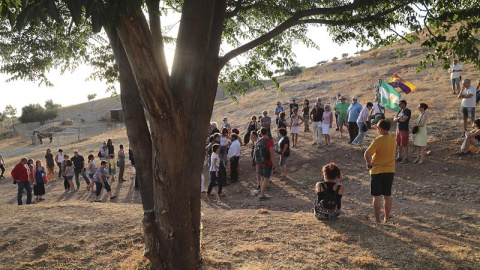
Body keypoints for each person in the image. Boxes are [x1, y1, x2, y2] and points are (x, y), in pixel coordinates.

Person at [364, 119, 396, 223]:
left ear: (380, 129)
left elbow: (367, 153)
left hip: (377, 171)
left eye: (378, 128)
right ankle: (386, 218)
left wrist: (369, 162)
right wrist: (378, 127)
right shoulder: (392, 139)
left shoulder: (377, 141)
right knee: (387, 195)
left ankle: (377, 220)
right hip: (390, 170)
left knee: (376, 196)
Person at [256, 128, 275, 200]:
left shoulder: (258, 141)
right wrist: (273, 163)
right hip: (267, 162)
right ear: (267, 133)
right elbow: (272, 154)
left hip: (260, 162)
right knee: (266, 178)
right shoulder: (269, 142)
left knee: (262, 178)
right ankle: (262, 195)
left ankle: (262, 193)